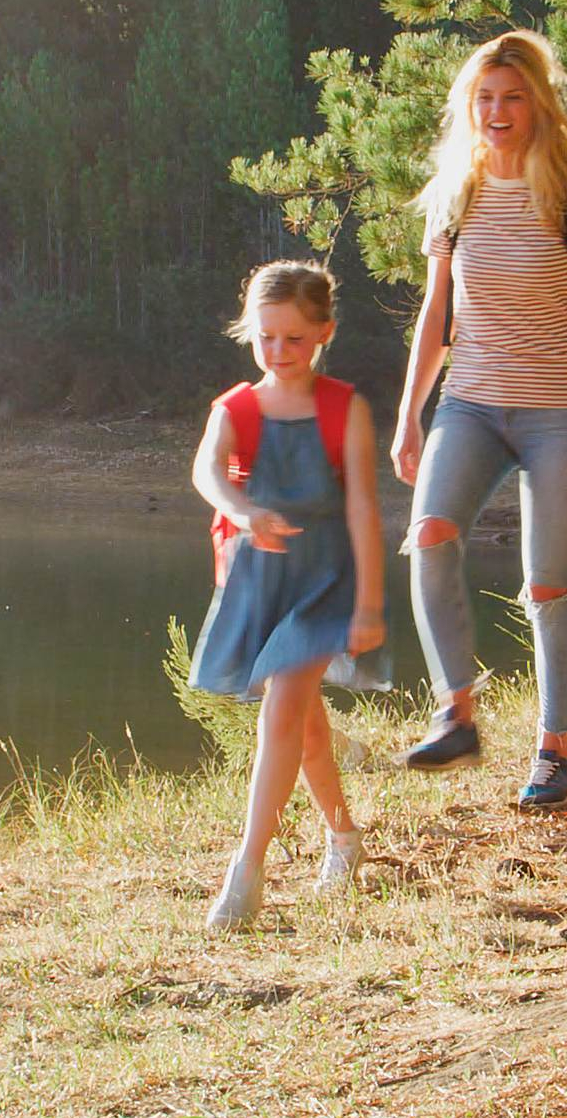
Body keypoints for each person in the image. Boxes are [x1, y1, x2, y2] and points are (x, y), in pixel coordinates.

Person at [388, 31, 567, 809]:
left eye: (513, 97)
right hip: (472, 404)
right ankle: (455, 707)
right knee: (427, 534)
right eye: (485, 98)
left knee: (547, 589)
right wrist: (410, 415)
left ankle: (554, 754)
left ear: (538, 104)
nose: (498, 110)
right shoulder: (454, 193)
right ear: (469, 107)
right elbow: (437, 313)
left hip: (560, 408)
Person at [190, 261, 390, 931]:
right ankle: (343, 835)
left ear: (325, 333)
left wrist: (368, 604)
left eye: (295, 339)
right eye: (266, 338)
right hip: (263, 580)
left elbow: (364, 506)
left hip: (328, 582)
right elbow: (209, 471)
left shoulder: (345, 409)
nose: (279, 352)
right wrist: (244, 512)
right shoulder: (238, 408)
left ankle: (246, 873)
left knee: (280, 712)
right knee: (304, 729)